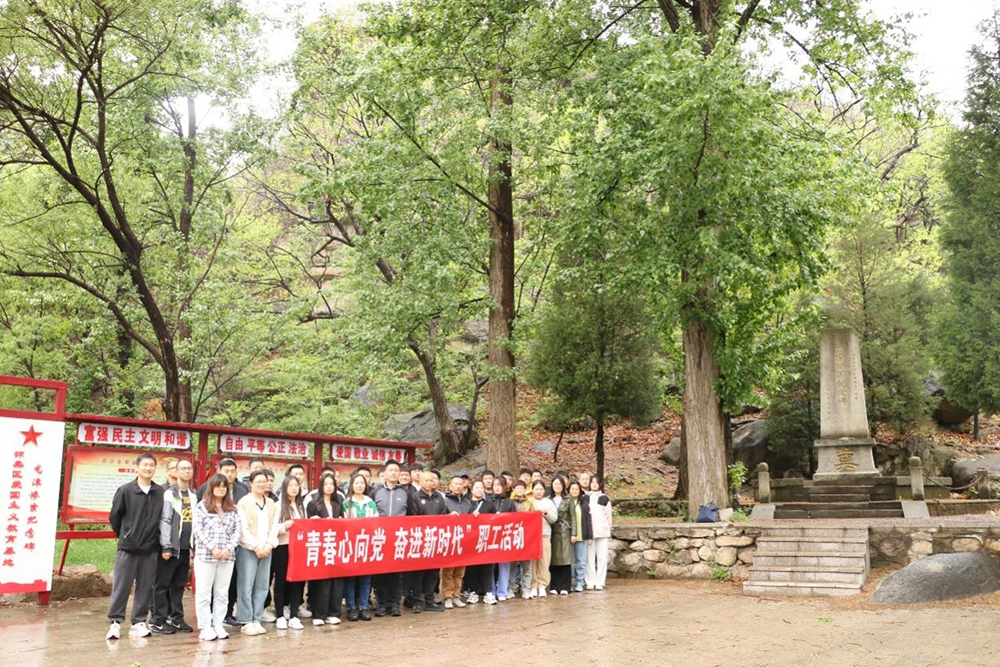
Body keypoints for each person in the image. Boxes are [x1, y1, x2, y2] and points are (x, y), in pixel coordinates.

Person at [106, 453, 165, 640]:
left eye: (151, 465)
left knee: (145, 587)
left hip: (150, 548)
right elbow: (115, 517)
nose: (148, 468)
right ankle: (115, 622)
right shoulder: (126, 490)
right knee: (121, 586)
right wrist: (125, 535)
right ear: (137, 467)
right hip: (128, 549)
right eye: (145, 465)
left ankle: (138, 622)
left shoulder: (160, 492)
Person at [192, 473, 241, 641]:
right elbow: (198, 530)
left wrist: (228, 548)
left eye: (224, 486)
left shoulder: (232, 508)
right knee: (204, 593)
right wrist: (213, 548)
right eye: (217, 486)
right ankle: (205, 627)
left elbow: (237, 531)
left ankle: (218, 624)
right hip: (206, 556)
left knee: (222, 592)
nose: (221, 489)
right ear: (211, 487)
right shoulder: (201, 507)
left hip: (227, 557)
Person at [151, 459, 196, 635]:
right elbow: (165, 520)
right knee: (161, 585)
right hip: (170, 548)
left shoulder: (193, 495)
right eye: (182, 468)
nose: (186, 471)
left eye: (189, 468)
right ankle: (158, 620)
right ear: (176, 472)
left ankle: (176, 618)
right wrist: (166, 546)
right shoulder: (169, 493)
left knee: (178, 585)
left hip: (185, 548)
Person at [236, 469, 280, 636]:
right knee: (246, 585)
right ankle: (246, 620)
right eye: (258, 482)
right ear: (251, 483)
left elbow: (275, 526)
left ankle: (256, 618)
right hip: (248, 549)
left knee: (262, 585)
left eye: (265, 481)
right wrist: (256, 546)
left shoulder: (271, 503)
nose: (262, 484)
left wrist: (269, 545)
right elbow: (243, 529)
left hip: (267, 549)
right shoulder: (244, 502)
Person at [370, 459, 410, 616]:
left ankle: (394, 604)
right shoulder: (376, 492)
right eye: (390, 470)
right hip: (380, 538)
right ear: (385, 473)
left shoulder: (406, 493)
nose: (393, 473)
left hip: (399, 539)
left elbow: (412, 516)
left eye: (396, 470)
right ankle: (382, 603)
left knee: (397, 574)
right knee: (381, 573)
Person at [306, 472, 345, 626]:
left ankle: (334, 612)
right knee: (321, 581)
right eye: (326, 484)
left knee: (336, 580)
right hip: (319, 546)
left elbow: (344, 523)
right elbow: (308, 525)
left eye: (331, 484)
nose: (329, 487)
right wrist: (316, 521)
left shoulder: (338, 503)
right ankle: (319, 613)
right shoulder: (313, 504)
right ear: (321, 486)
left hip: (335, 545)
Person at [406, 469, 447, 613]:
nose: (429, 483)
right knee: (418, 572)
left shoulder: (439, 497)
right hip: (420, 539)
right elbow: (413, 517)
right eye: (426, 480)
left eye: (431, 480)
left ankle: (430, 600)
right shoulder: (415, 497)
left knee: (433, 572)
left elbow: (443, 515)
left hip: (435, 540)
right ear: (420, 481)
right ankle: (417, 600)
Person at [342, 473, 378, 621]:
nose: (359, 485)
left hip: (367, 545)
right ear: (351, 485)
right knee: (350, 578)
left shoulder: (370, 503)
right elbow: (343, 524)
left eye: (362, 483)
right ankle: (351, 607)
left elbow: (376, 522)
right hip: (351, 545)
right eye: (356, 483)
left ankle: (364, 606)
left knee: (365, 578)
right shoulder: (346, 503)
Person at [272, 475, 306, 630]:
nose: (294, 488)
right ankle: (280, 615)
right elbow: (272, 528)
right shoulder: (278, 506)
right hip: (282, 547)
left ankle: (294, 615)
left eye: (296, 485)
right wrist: (283, 526)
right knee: (281, 580)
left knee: (297, 581)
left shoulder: (301, 506)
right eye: (290, 485)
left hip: (298, 547)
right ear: (285, 487)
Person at [441, 475, 472, 609]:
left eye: (461, 484)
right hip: (449, 539)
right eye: (456, 484)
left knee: (460, 571)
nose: (458, 486)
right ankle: (447, 596)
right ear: (450, 486)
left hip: (464, 540)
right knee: (448, 570)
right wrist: (448, 517)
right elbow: (439, 518)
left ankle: (456, 595)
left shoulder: (467, 502)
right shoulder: (445, 501)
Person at [465, 479, 497, 604]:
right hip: (470, 540)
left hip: (485, 539)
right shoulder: (467, 503)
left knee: (487, 566)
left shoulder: (489, 505)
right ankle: (473, 592)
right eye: (477, 487)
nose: (479, 490)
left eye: (481, 488)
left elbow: (494, 521)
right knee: (472, 568)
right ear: (472, 489)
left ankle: (488, 592)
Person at [529, 480, 557, 598]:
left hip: (544, 535)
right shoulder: (529, 502)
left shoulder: (548, 502)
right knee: (532, 563)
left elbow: (554, 519)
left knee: (544, 561)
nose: (539, 491)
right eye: (536, 489)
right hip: (531, 537)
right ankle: (533, 585)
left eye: (541, 489)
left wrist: (546, 513)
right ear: (532, 490)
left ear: (544, 490)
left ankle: (542, 585)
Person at [491, 477, 517, 602]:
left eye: (499, 485)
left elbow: (515, 519)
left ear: (505, 487)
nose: (497, 487)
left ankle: (502, 591)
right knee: (490, 566)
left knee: (504, 565)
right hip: (491, 538)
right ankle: (491, 591)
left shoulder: (509, 503)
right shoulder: (488, 501)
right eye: (495, 485)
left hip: (505, 537)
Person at [585, 476, 613, 590]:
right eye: (592, 482)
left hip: (602, 531)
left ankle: (600, 581)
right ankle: (590, 581)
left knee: (602, 557)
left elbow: (608, 516)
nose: (594, 484)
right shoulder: (585, 497)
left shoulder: (604, 498)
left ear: (600, 484)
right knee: (589, 557)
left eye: (596, 482)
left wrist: (608, 528)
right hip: (589, 532)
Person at [509, 479, 533, 598]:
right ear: (513, 489)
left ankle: (526, 589)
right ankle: (511, 588)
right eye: (517, 488)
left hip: (526, 537)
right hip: (512, 536)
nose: (519, 490)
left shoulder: (529, 503)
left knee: (526, 565)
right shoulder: (509, 503)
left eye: (522, 488)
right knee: (512, 565)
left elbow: (534, 520)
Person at [567, 480, 593, 593]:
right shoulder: (566, 502)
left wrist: (590, 536)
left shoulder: (584, 503)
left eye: (576, 489)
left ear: (580, 491)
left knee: (581, 561)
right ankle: (570, 582)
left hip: (582, 536)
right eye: (572, 489)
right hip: (568, 537)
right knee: (570, 562)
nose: (574, 491)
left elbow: (588, 520)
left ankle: (580, 582)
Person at [549, 476, 573, 595]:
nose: (557, 486)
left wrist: (574, 533)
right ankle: (554, 585)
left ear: (563, 486)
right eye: (555, 484)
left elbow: (573, 517)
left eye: (559, 484)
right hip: (552, 531)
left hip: (565, 531)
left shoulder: (568, 499)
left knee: (565, 558)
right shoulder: (549, 499)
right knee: (553, 559)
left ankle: (565, 586)